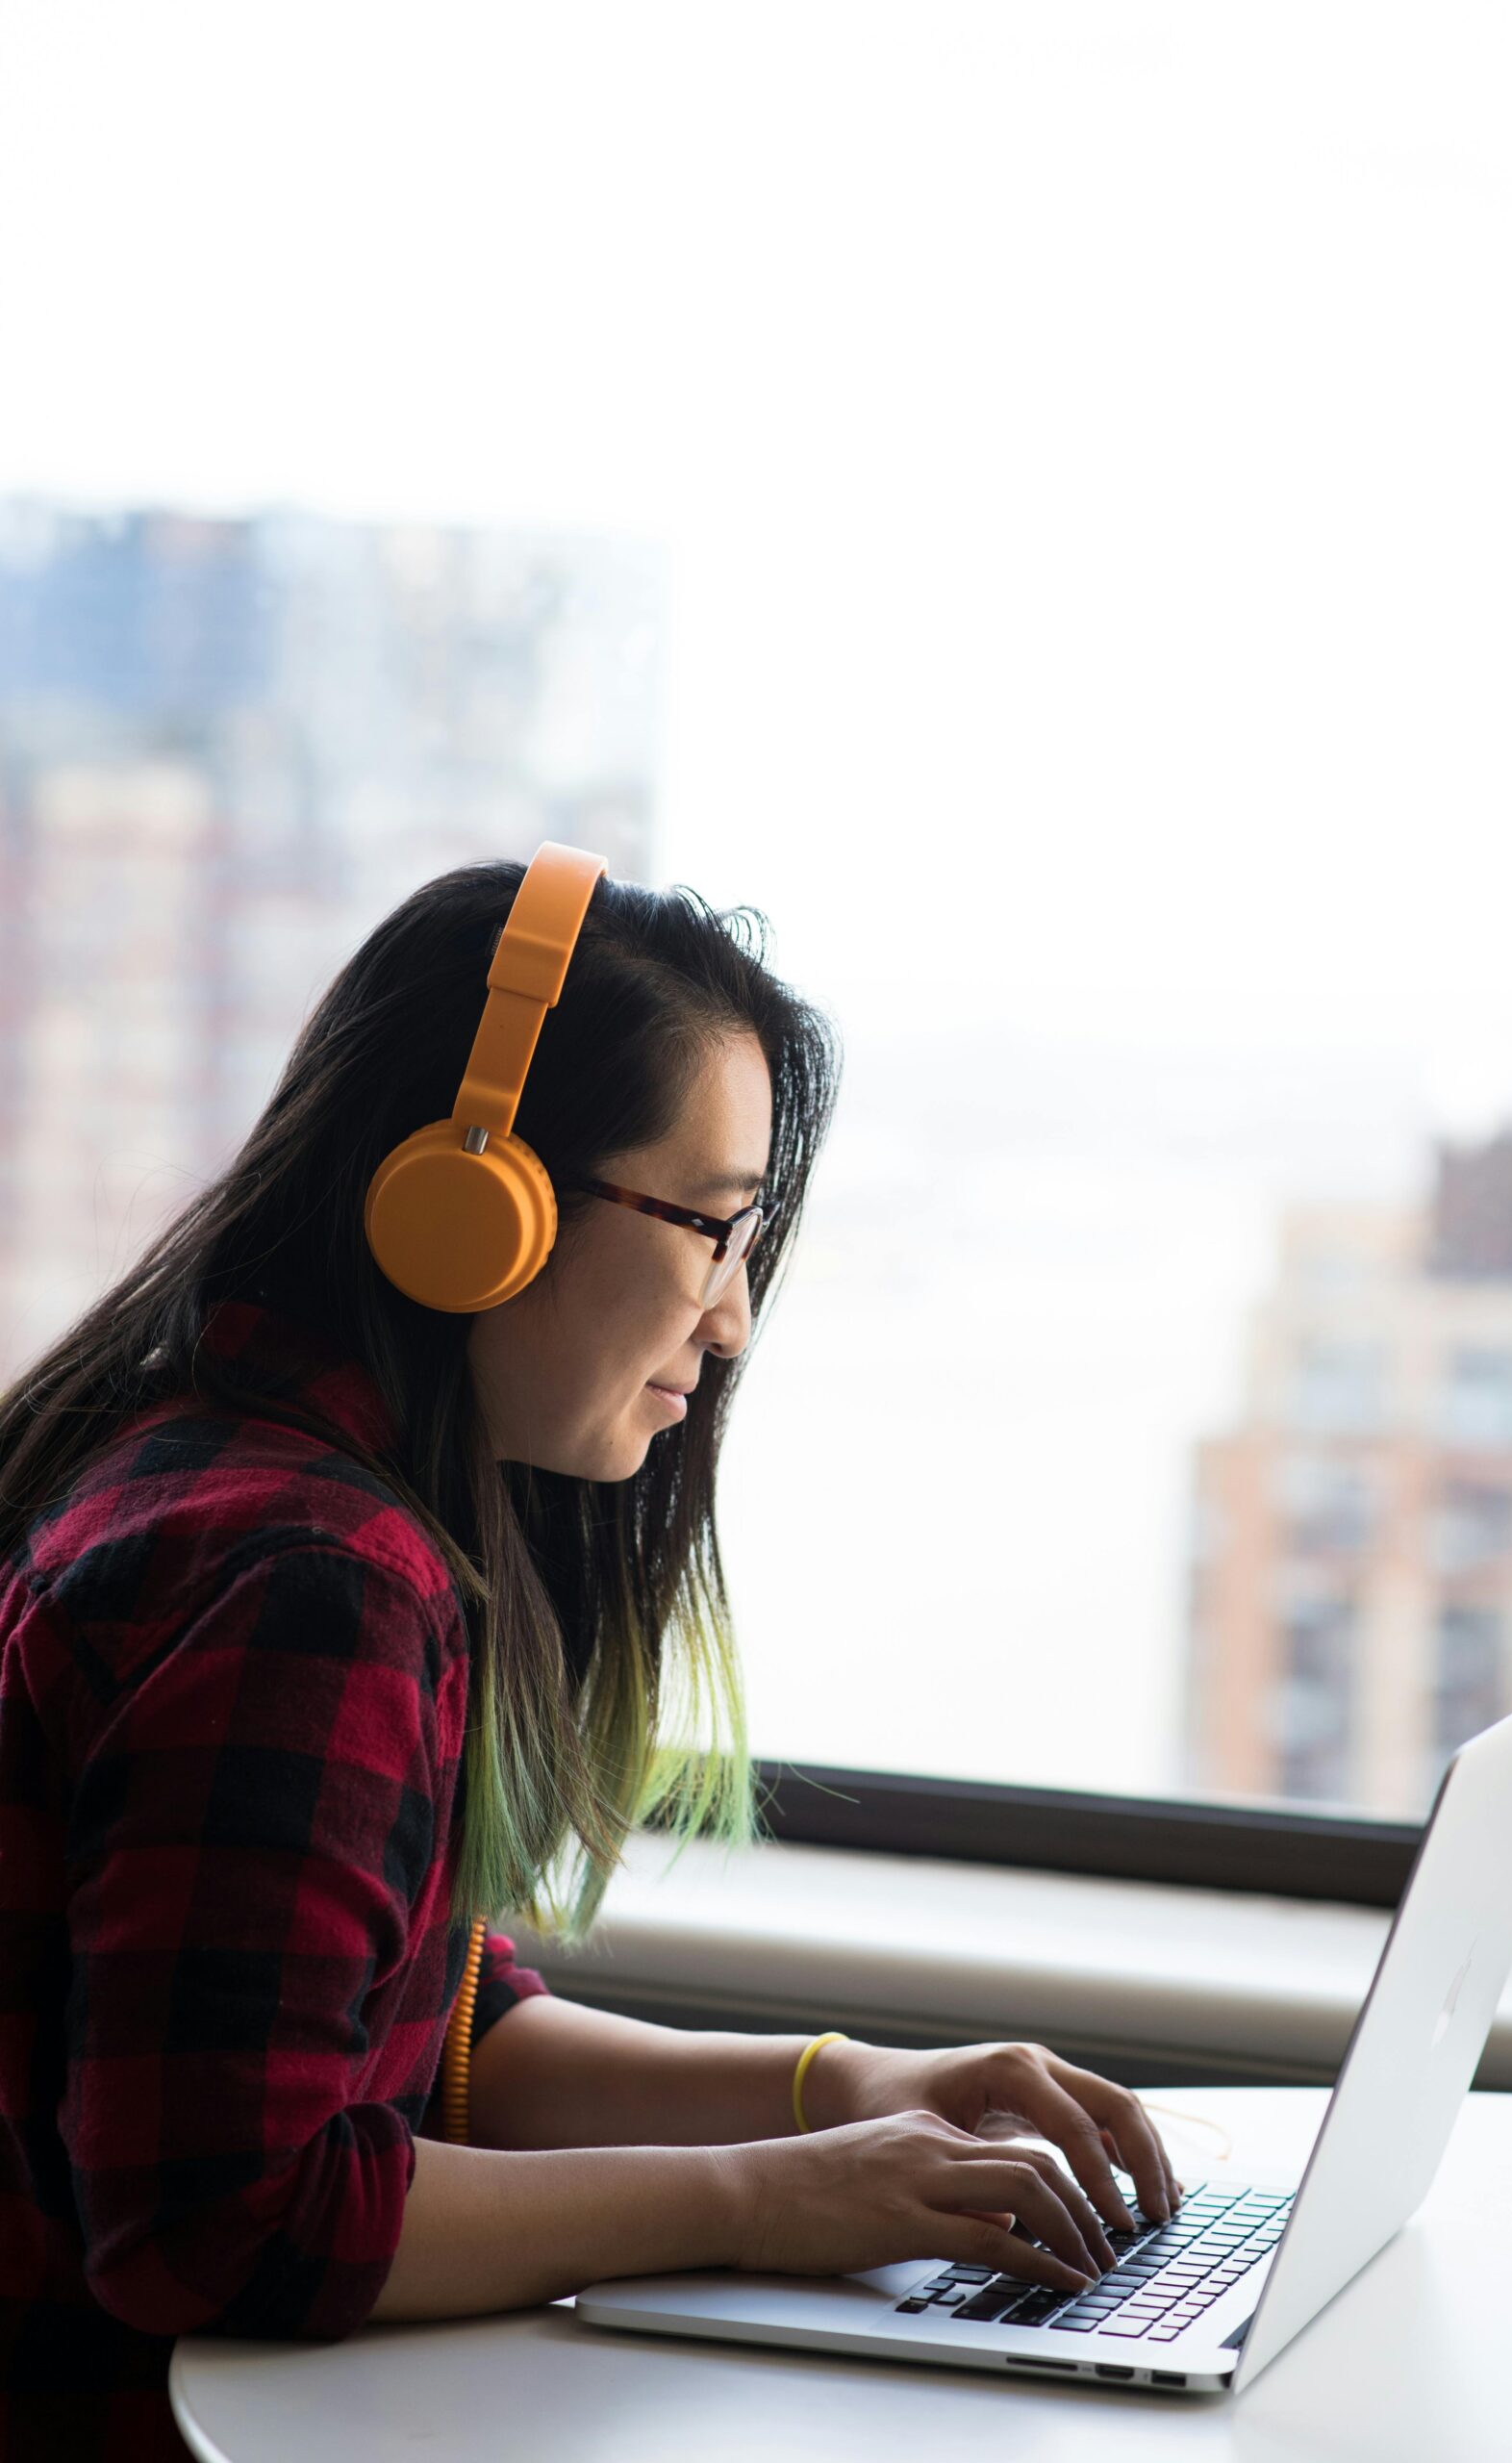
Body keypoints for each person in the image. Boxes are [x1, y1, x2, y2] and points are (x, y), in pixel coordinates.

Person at [0, 850, 1183, 2462]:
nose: (731, 1321)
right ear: (471, 1201)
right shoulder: (307, 1580)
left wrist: (847, 2093)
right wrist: (760, 2204)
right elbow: (228, 2216)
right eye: (708, 1228)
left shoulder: (208, 1457)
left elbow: (418, 2030)